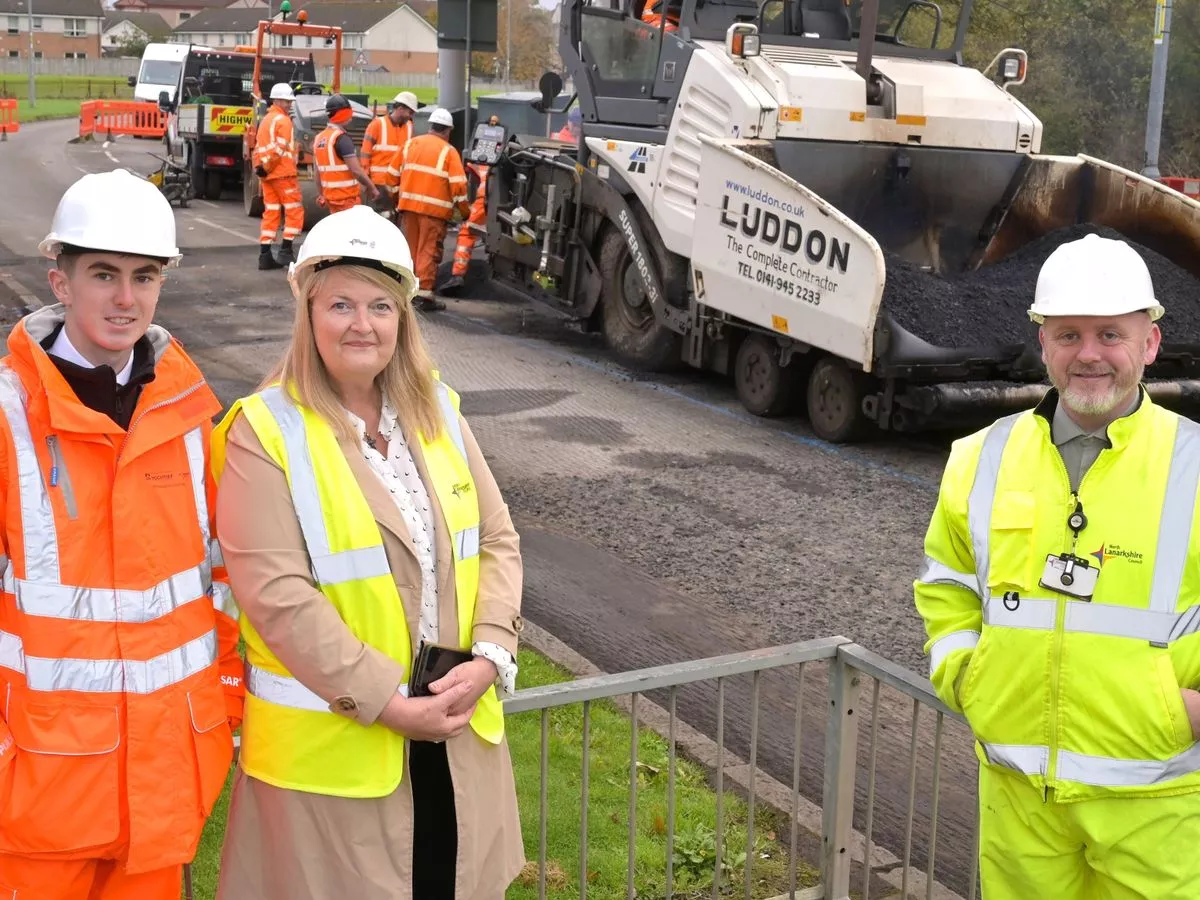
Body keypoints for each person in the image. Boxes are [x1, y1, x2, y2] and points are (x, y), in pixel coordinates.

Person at [211, 205, 525, 900]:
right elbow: (277, 598)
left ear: (403, 318)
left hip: (456, 739)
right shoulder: (264, 431)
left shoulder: (438, 410)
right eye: (342, 304)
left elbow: (496, 538)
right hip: (333, 764)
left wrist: (492, 655)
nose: (363, 324)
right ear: (308, 311)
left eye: (381, 305)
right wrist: (388, 702)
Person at [915, 232, 1200, 899]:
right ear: (1042, 343)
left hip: (1154, 801)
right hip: (1019, 799)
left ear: (1149, 344)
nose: (1090, 355)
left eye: (1111, 333)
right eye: (1068, 335)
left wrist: (1186, 709)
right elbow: (947, 583)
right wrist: (966, 676)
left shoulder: (1194, 464)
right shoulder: (980, 457)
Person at [0, 169, 242, 898]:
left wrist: (223, 712)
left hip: (165, 791)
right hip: (35, 805)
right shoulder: (9, 418)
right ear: (61, 280)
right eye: (103, 274)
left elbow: (222, 589)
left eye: (145, 276)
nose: (126, 298)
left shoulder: (194, 417)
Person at [395, 107, 469, 312]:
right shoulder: (448, 151)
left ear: (430, 126)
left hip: (408, 208)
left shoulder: (410, 144)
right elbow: (459, 186)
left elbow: (392, 175)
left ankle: (406, 291)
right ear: (448, 131)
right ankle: (424, 295)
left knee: (411, 250)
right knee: (428, 251)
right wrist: (464, 211)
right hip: (433, 213)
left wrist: (396, 200)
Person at [253, 81, 304, 270]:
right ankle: (286, 251)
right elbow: (279, 149)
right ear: (278, 100)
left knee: (271, 213)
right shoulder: (283, 121)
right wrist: (267, 167)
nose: (290, 105)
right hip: (282, 174)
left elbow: (258, 148)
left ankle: (264, 255)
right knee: (294, 211)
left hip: (268, 176)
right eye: (287, 101)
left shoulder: (266, 120)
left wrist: (260, 168)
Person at [314, 94, 379, 213]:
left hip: (331, 200)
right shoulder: (342, 139)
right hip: (347, 200)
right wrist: (372, 188)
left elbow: (317, 173)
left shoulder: (319, 138)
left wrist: (321, 194)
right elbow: (356, 171)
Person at [440, 158, 490, 295]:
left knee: (467, 232)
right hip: (495, 199)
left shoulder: (476, 162)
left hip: (484, 199)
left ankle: (458, 274)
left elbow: (460, 185)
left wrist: (463, 210)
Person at [366, 90, 418, 210]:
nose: (411, 116)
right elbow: (365, 155)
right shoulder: (377, 125)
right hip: (379, 185)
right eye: (410, 112)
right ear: (400, 108)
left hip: (399, 184)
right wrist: (369, 185)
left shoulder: (409, 127)